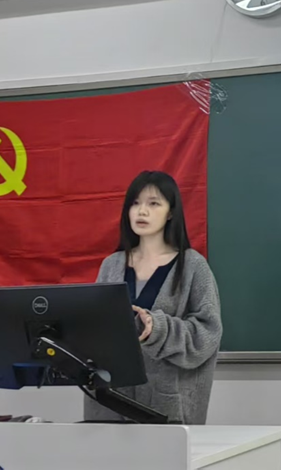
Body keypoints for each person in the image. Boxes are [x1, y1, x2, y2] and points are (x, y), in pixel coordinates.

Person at [83, 170, 222, 425]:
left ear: (170, 213)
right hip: (109, 404)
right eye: (135, 203)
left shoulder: (192, 266)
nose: (142, 211)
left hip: (167, 407)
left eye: (154, 203)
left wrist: (158, 329)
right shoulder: (112, 265)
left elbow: (207, 334)